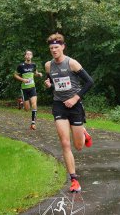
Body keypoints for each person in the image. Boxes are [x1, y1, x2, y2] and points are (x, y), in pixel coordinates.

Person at [44, 33, 94, 192]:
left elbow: (89, 82)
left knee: (78, 146)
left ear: (63, 47)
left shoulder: (72, 63)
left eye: (56, 47)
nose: (54, 50)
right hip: (59, 105)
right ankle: (74, 180)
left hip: (75, 106)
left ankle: (84, 133)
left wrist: (75, 98)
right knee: (65, 143)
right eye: (51, 48)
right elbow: (53, 82)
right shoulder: (48, 65)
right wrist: (48, 84)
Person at [14, 50, 43, 130]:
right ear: (25, 56)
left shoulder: (33, 65)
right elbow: (15, 75)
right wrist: (22, 79)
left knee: (34, 104)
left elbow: (35, 73)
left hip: (32, 87)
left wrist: (38, 74)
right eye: (27, 54)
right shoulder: (21, 66)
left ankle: (33, 123)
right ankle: (21, 102)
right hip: (24, 89)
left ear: (32, 56)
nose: (29, 55)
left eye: (30, 54)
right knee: (27, 109)